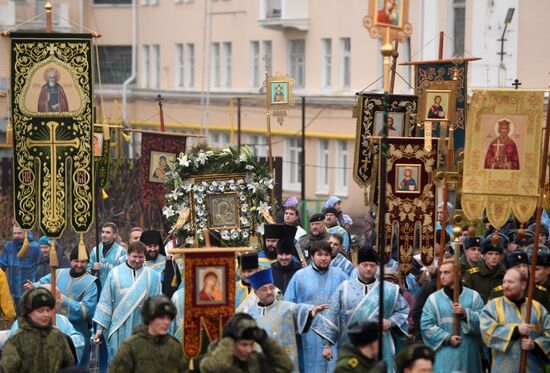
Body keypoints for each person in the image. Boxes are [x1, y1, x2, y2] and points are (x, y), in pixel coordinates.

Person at [325, 247, 409, 372]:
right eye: (365, 265)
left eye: (372, 265)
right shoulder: (345, 288)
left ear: (377, 267)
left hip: (381, 346)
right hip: (351, 345)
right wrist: (326, 345)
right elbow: (331, 316)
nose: (369, 269)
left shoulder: (389, 289)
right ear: (358, 265)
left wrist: (390, 322)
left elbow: (403, 311)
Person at [238, 269, 330, 372]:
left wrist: (310, 312)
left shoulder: (287, 307)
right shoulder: (249, 314)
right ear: (256, 293)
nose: (269, 292)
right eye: (264, 289)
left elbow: (301, 310)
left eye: (271, 288)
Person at [28, 246, 97, 367]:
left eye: (83, 262)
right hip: (54, 324)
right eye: (76, 261)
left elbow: (86, 310)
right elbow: (42, 283)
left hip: (78, 331)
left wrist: (61, 299)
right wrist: (33, 286)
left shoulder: (91, 283)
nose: (79, 265)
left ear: (88, 263)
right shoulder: (59, 273)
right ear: (71, 261)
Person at [285, 240, 349, 372]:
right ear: (312, 256)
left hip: (334, 333)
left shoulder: (341, 276)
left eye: (327, 254)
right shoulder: (300, 276)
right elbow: (288, 304)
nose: (324, 258)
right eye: (319, 254)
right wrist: (307, 311)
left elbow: (351, 301)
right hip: (309, 333)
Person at [93, 241, 161, 363]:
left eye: (141, 257)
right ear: (128, 255)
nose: (137, 260)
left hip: (143, 327)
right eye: (134, 256)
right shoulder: (114, 273)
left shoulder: (154, 276)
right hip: (119, 327)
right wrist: (99, 329)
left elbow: (158, 305)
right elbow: (106, 302)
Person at [480, 268, 550, 373]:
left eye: (511, 282)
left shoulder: (537, 308)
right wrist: (517, 330)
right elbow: (487, 332)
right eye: (504, 281)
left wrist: (535, 345)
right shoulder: (492, 307)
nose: (506, 285)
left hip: (532, 368)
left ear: (523, 285)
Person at [421, 258, 485, 373]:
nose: (441, 276)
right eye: (441, 272)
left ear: (458, 274)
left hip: (468, 354)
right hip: (445, 355)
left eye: (446, 272)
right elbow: (426, 326)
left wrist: (465, 314)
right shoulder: (433, 299)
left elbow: (484, 322)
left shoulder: (474, 297)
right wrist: (447, 338)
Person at [0, 288, 74, 371]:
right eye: (40, 311)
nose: (45, 314)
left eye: (48, 310)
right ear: (29, 312)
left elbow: (69, 366)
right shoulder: (17, 340)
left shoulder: (58, 336)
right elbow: (7, 369)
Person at [9, 284, 85, 365]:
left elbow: (79, 342)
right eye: (58, 297)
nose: (61, 300)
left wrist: (64, 338)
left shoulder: (63, 320)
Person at [109, 296, 188, 373]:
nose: (166, 322)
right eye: (161, 318)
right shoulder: (132, 346)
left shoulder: (175, 346)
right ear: (150, 318)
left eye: (168, 318)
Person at [199, 313, 293, 373]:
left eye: (252, 344)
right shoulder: (212, 361)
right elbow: (213, 369)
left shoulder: (256, 361)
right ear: (231, 342)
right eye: (244, 345)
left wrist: (265, 340)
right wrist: (227, 340)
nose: (249, 350)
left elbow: (285, 367)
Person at [0, 224, 41, 311]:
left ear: (26, 232)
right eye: (14, 233)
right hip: (13, 292)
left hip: (29, 292)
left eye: (19, 233)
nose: (16, 236)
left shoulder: (35, 247)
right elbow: (1, 266)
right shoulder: (9, 246)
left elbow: (41, 268)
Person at [463, 234, 505, 303]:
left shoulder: (505, 275)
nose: (494, 257)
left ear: (501, 257)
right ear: (484, 256)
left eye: (497, 254)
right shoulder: (472, 275)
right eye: (490, 254)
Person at [87, 222, 126, 287]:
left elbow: (124, 273)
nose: (104, 235)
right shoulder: (95, 250)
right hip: (96, 289)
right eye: (103, 232)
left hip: (113, 290)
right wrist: (93, 270)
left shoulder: (121, 251)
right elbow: (87, 270)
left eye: (108, 232)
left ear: (114, 235)